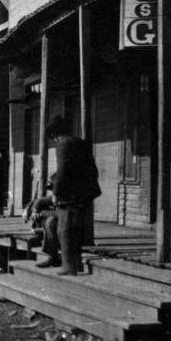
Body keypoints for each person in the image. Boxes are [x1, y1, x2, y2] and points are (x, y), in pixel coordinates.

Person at [46, 116, 101, 276]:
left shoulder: (62, 144)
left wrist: (56, 192)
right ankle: (76, 264)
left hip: (68, 196)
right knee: (77, 230)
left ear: (55, 135)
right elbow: (92, 170)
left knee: (65, 230)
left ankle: (68, 266)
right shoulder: (81, 143)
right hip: (83, 194)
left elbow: (63, 171)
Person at [22, 174, 60, 267]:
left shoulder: (67, 197)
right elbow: (39, 201)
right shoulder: (54, 196)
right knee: (32, 241)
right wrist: (35, 212)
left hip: (71, 226)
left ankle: (52, 256)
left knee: (50, 220)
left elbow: (63, 214)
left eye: (53, 189)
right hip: (58, 226)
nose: (52, 192)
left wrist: (42, 214)